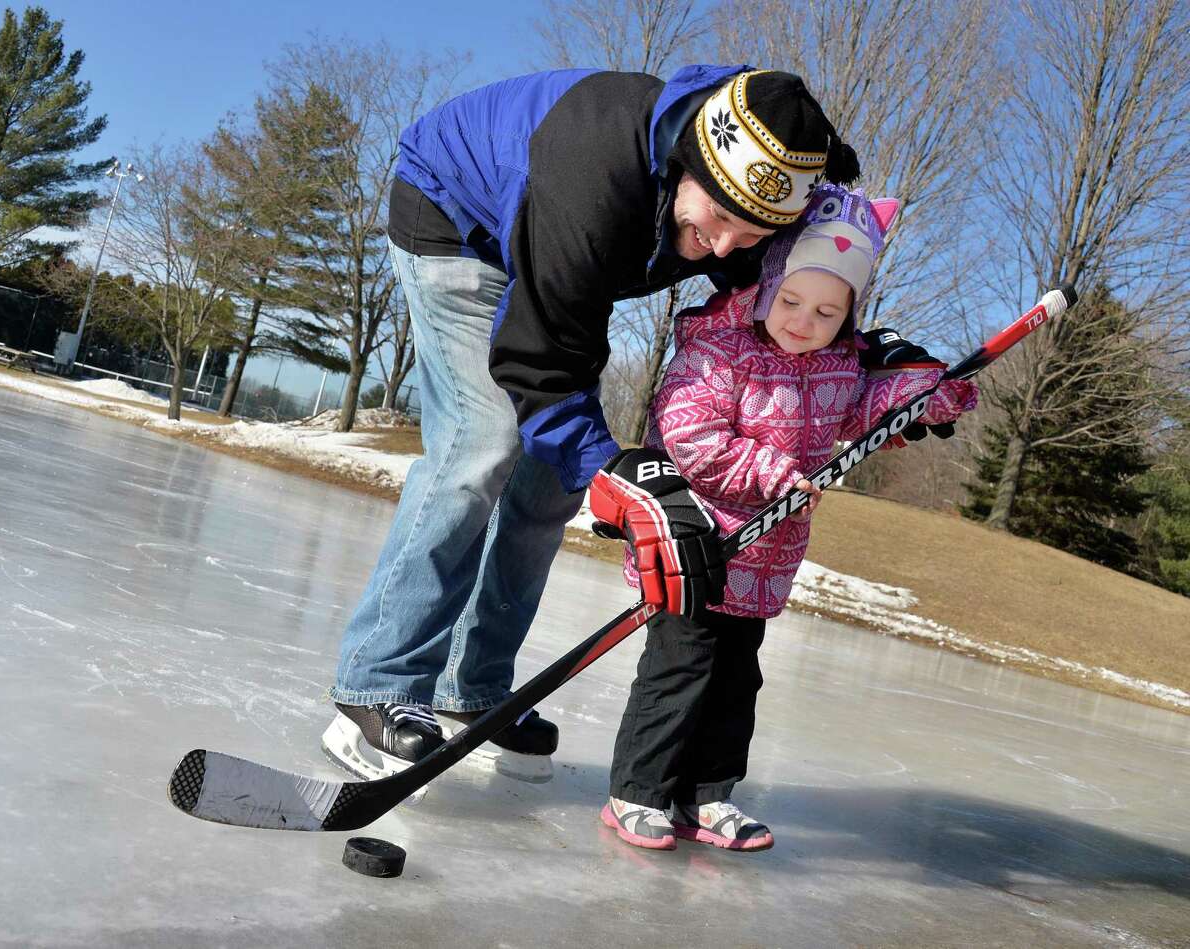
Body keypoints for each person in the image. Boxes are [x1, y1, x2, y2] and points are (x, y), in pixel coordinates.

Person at [323, 66, 864, 783]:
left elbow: (792, 295)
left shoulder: (759, 189)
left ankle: (473, 686)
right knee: (482, 444)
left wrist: (870, 357)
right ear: (685, 165)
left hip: (560, 267)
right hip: (457, 221)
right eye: (720, 219)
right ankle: (378, 682)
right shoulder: (590, 179)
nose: (730, 247)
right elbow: (535, 357)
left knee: (552, 480)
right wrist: (622, 476)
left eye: (754, 231)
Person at [591, 184, 978, 851]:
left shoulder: (836, 368)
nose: (805, 320)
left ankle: (707, 798)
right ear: (768, 285)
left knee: (736, 684)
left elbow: (870, 411)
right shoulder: (718, 351)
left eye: (828, 310)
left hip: (764, 565)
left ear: (849, 314)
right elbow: (689, 437)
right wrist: (774, 475)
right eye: (793, 300)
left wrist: (929, 393)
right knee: (680, 670)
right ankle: (639, 791)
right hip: (696, 547)